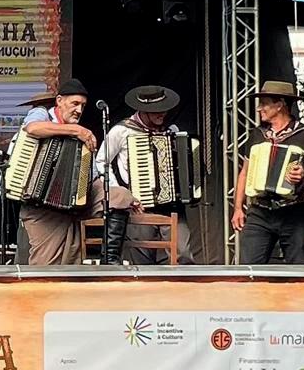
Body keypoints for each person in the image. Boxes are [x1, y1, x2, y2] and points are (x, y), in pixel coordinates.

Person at [19, 78, 135, 265]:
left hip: (76, 202)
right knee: (46, 267)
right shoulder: (42, 114)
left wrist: (123, 199)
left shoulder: (82, 133)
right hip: (42, 208)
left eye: (83, 105)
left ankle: (109, 262)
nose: (79, 110)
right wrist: (75, 130)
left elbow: (94, 174)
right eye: (75, 103)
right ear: (59, 101)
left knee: (120, 196)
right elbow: (32, 128)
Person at [95, 84, 194, 264]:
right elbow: (101, 162)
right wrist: (120, 194)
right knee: (141, 260)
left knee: (184, 255)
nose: (162, 114)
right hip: (138, 205)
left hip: (172, 206)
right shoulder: (122, 130)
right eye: (156, 111)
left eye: (164, 109)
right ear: (142, 110)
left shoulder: (172, 131)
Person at [231, 80, 304, 265]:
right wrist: (237, 208)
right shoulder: (257, 135)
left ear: (280, 104)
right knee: (248, 268)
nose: (259, 108)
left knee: (299, 266)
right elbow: (245, 172)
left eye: (264, 103)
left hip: (295, 211)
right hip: (259, 210)